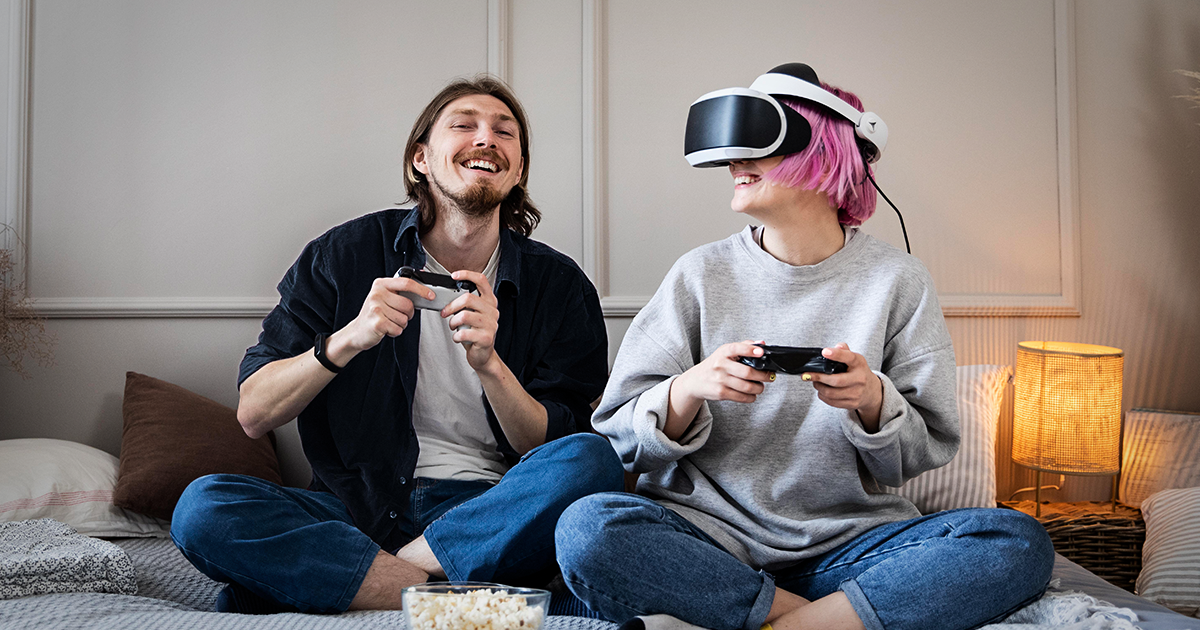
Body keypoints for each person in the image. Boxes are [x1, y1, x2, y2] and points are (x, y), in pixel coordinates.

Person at [555, 64, 1054, 630]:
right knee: (587, 528)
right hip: (705, 546)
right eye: (732, 152)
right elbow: (617, 440)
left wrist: (872, 399)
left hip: (851, 551)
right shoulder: (698, 275)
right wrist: (690, 388)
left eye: (757, 148)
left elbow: (919, 456)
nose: (735, 163)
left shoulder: (898, 281)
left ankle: (763, 621)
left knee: (1017, 540)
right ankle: (824, 623)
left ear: (824, 155)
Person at [170, 75, 623, 614]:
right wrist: (347, 340)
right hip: (355, 512)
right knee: (203, 507)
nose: (487, 139)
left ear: (517, 169)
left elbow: (549, 451)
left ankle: (358, 582)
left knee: (592, 457)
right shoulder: (343, 255)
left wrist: (490, 365)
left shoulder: (560, 285)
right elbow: (253, 412)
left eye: (505, 133)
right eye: (464, 125)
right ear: (420, 160)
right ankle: (447, 594)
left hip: (491, 513)